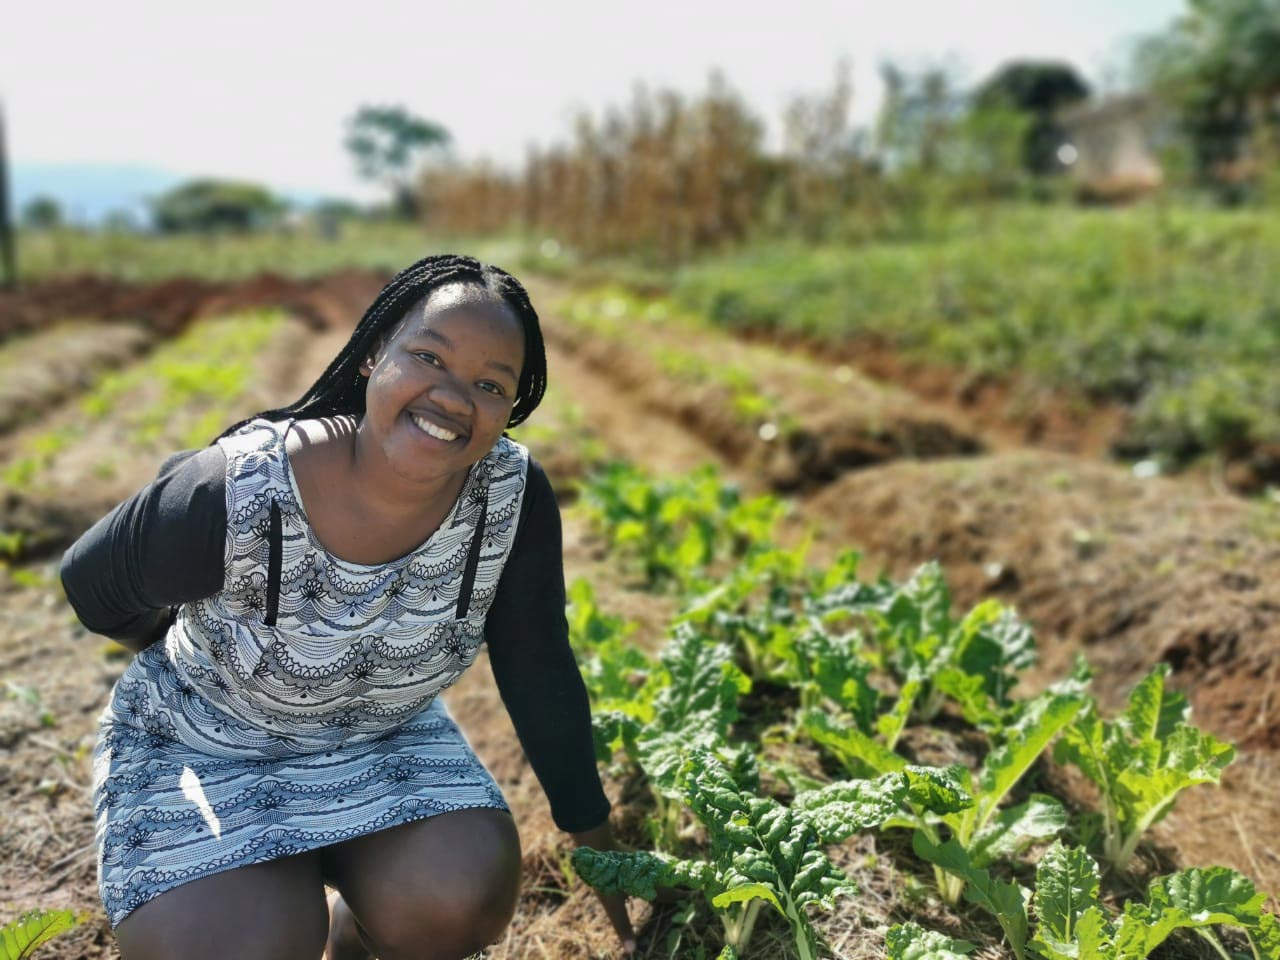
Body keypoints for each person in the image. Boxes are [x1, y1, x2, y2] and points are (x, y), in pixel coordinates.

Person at [59, 254, 636, 960]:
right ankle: (268, 886)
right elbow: (93, 586)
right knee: (244, 946)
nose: (454, 397)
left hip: (379, 739)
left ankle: (356, 937)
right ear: (373, 355)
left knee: (460, 893)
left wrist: (600, 848)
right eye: (429, 356)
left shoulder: (507, 499)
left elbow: (538, 667)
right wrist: (172, 641)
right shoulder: (241, 489)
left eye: (490, 384)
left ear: (510, 409)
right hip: (205, 743)